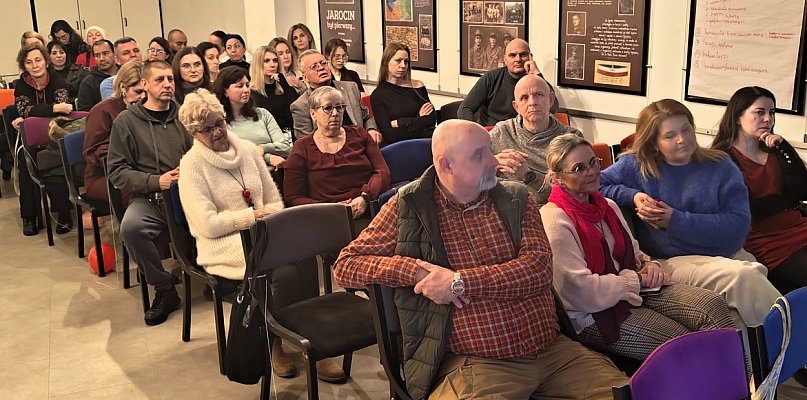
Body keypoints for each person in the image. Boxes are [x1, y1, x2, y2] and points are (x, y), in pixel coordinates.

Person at [333, 119, 628, 399]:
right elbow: (346, 265)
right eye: (480, 155)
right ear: (445, 164)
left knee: (633, 393)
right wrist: (415, 272)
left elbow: (537, 270)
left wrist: (458, 282)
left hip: (551, 351)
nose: (494, 161)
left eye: (490, 150)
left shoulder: (516, 198)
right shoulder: (409, 206)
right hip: (477, 363)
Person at [541, 133, 734, 360]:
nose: (592, 171)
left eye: (594, 162)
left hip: (633, 287)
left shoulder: (608, 206)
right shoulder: (554, 218)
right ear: (557, 178)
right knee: (682, 343)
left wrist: (649, 264)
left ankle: (751, 386)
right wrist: (636, 279)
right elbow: (580, 292)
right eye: (579, 168)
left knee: (713, 304)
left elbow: (634, 253)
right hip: (595, 312)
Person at [599, 99, 781, 328]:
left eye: (686, 129)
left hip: (725, 252)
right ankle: (796, 342)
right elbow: (595, 183)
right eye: (669, 135)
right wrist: (632, 195)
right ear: (654, 142)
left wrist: (675, 220)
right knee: (743, 276)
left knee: (744, 291)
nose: (682, 139)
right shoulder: (636, 165)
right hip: (670, 259)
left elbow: (738, 226)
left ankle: (753, 360)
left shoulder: (721, 165)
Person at [176, 88, 295, 377]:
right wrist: (250, 216)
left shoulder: (246, 150)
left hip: (263, 233)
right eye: (208, 129)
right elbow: (207, 225)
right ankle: (274, 342)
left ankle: (305, 335)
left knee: (302, 259)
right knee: (281, 273)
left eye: (220, 123)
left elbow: (274, 199)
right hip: (221, 244)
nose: (218, 132)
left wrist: (267, 218)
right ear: (194, 132)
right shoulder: (191, 166)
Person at [107, 60, 193, 326]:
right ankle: (164, 288)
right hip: (151, 197)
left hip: (190, 194)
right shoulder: (127, 121)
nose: (167, 84)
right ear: (144, 84)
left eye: (170, 79)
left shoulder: (186, 114)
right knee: (132, 228)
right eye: (160, 80)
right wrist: (156, 181)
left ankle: (220, 276)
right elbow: (117, 171)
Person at [712, 86, 807, 294]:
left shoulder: (776, 150)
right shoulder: (722, 158)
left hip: (797, 227)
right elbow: (749, 208)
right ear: (738, 117)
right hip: (764, 240)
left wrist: (786, 149)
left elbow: (803, 190)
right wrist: (787, 201)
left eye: (772, 113)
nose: (768, 119)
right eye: (759, 112)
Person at [284, 86, 390, 230]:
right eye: (328, 108)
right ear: (313, 114)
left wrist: (365, 197)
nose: (335, 113)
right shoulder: (301, 148)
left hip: (367, 207)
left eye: (340, 107)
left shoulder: (359, 134)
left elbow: (382, 171)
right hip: (325, 218)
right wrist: (331, 209)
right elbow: (294, 197)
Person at [490, 75, 581, 205]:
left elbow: (573, 192)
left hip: (549, 210)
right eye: (524, 98)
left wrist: (528, 176)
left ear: (550, 99)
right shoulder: (501, 132)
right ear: (516, 107)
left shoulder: (570, 139)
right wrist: (491, 162)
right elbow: (469, 169)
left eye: (539, 95)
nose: (532, 102)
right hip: (505, 209)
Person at [13, 44, 73, 236]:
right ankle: (29, 217)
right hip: (30, 138)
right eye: (29, 62)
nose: (35, 66)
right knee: (25, 159)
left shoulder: (57, 79)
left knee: (56, 160)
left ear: (46, 61)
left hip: (54, 136)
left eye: (38, 60)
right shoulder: (21, 84)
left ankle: (63, 213)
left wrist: (34, 114)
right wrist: (53, 109)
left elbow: (64, 108)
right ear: (24, 66)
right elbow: (24, 109)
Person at [459, 39, 559, 127]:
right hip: (491, 135)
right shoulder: (491, 78)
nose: (518, 59)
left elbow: (553, 106)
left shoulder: (535, 82)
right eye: (512, 55)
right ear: (505, 59)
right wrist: (475, 132)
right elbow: (465, 109)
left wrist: (537, 74)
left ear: (530, 57)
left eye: (523, 55)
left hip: (522, 137)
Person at [83, 62, 145, 202]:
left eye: (147, 92)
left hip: (141, 170)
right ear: (123, 87)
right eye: (138, 92)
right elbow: (93, 152)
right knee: (141, 191)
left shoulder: (148, 109)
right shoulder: (102, 111)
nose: (143, 97)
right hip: (104, 175)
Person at [290, 50, 380, 142]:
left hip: (360, 143)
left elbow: (366, 118)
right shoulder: (301, 106)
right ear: (305, 77)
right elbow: (307, 143)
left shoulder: (350, 88)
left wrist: (371, 129)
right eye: (314, 66)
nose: (321, 68)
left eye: (323, 63)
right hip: (330, 151)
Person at [213, 65, 289, 169]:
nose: (246, 90)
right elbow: (228, 154)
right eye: (240, 86)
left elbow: (285, 146)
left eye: (247, 85)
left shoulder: (262, 114)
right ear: (225, 91)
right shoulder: (219, 121)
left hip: (271, 174)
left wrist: (262, 148)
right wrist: (267, 157)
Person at [370, 43, 436, 145]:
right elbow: (390, 135)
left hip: (426, 141)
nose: (403, 65)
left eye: (406, 61)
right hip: (400, 146)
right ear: (387, 62)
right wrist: (419, 119)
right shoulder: (378, 95)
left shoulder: (417, 86)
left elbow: (431, 120)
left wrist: (399, 122)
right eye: (398, 61)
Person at [249, 46, 299, 134]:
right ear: (258, 64)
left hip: (290, 138)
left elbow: (296, 110)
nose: (272, 65)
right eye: (266, 61)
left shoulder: (286, 89)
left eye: (275, 60)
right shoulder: (251, 94)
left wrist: (284, 83)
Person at [77, 39, 117, 111]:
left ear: (114, 54)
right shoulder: (88, 82)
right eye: (97, 55)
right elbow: (84, 113)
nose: (102, 59)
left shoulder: (125, 72)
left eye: (106, 53)